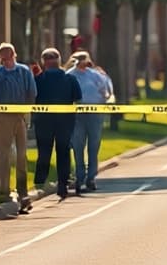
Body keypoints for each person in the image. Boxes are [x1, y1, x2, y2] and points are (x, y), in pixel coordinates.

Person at [0, 43, 38, 212]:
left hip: (20, 116)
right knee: (3, 155)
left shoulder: (24, 72)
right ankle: (3, 190)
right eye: (3, 59)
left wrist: (27, 112)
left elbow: (32, 93)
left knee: (21, 155)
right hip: (1, 118)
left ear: (14, 55)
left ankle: (22, 191)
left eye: (8, 58)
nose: (6, 62)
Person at [33, 47, 82, 198]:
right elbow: (78, 99)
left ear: (44, 62)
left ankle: (40, 182)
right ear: (59, 61)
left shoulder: (38, 80)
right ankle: (63, 184)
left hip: (43, 122)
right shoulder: (70, 79)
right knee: (63, 152)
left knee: (44, 152)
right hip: (65, 121)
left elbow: (32, 98)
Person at [69, 51, 114, 192]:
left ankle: (91, 177)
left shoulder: (95, 75)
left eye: (84, 59)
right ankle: (79, 176)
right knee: (78, 145)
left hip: (95, 114)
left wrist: (105, 101)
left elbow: (105, 91)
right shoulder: (69, 75)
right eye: (79, 59)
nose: (82, 62)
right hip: (77, 115)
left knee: (93, 145)